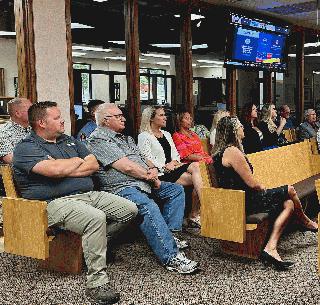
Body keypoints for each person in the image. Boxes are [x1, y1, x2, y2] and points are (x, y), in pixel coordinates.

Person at [13, 101, 138, 305]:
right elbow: (53, 171)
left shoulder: (68, 140)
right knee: (95, 219)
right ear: (41, 123)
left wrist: (65, 166)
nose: (62, 119)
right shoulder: (26, 148)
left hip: (87, 194)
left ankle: (95, 247)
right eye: (56, 117)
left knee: (129, 209)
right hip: (51, 203)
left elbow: (94, 164)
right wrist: (75, 164)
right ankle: (96, 283)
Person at [87, 103, 199, 275]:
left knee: (175, 190)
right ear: (105, 120)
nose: (123, 118)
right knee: (147, 206)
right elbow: (126, 167)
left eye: (122, 115)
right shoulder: (98, 139)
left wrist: (153, 170)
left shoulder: (125, 138)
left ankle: (169, 236)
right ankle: (171, 257)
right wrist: (149, 176)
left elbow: (143, 159)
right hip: (122, 187)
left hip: (143, 182)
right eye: (118, 116)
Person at [212, 116, 318, 271]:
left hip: (239, 199)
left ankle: (271, 248)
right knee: (290, 189)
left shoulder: (223, 151)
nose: (243, 128)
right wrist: (266, 189)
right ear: (233, 131)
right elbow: (253, 184)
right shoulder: (232, 151)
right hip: (244, 201)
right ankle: (305, 221)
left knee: (288, 203)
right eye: (240, 126)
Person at [138, 106, 203, 228]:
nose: (165, 117)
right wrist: (164, 166)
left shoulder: (167, 134)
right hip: (161, 173)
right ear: (151, 119)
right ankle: (197, 212)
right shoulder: (144, 136)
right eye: (161, 115)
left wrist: (173, 163)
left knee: (196, 169)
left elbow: (175, 154)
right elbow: (145, 158)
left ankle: (196, 212)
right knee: (198, 176)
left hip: (173, 168)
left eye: (164, 115)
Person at [0, 97, 32, 164]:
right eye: (30, 109)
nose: (35, 112)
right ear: (18, 113)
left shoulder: (35, 129)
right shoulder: (3, 132)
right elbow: (11, 159)